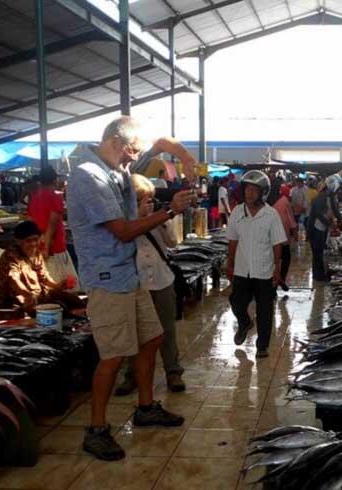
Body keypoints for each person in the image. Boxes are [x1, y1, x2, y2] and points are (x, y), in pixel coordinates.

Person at [67, 116, 193, 461]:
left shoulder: (113, 168)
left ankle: (146, 406)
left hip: (129, 273)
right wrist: (169, 211)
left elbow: (159, 145)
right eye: (130, 154)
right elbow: (122, 230)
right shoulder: (88, 177)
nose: (131, 161)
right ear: (115, 143)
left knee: (152, 337)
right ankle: (96, 429)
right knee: (113, 355)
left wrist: (185, 157)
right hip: (108, 279)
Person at [115, 174, 185, 395]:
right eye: (141, 201)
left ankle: (173, 372)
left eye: (148, 200)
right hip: (136, 284)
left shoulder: (159, 218)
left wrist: (161, 220)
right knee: (134, 332)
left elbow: (173, 242)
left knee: (167, 330)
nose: (146, 204)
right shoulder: (123, 224)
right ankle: (131, 375)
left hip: (162, 281)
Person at [225, 171, 287, 358]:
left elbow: (277, 244)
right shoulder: (237, 212)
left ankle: (262, 346)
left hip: (264, 271)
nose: (249, 194)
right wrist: (230, 264)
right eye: (247, 189)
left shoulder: (271, 214)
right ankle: (244, 323)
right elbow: (233, 241)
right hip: (242, 270)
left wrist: (277, 269)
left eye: (254, 190)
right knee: (236, 302)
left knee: (265, 310)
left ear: (263, 193)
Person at [0, 220, 84, 316]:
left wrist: (58, 286)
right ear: (18, 241)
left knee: (75, 302)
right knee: (59, 308)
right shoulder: (11, 255)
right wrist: (28, 295)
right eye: (28, 241)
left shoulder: (37, 253)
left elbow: (44, 278)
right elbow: (13, 279)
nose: (33, 244)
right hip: (15, 302)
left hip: (38, 297)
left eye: (35, 239)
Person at [27, 166, 79, 291]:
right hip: (54, 247)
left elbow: (29, 220)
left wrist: (37, 242)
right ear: (55, 180)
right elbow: (53, 221)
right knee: (64, 287)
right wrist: (47, 244)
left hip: (39, 245)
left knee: (45, 286)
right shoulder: (56, 195)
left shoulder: (34, 196)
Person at [307, 175, 342, 282]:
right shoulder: (321, 196)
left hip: (322, 228)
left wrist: (341, 220)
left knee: (319, 251)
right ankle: (319, 276)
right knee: (317, 252)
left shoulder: (330, 196)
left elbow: (335, 209)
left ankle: (318, 275)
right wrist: (330, 224)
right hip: (316, 228)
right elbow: (318, 213)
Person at [269, 182, 297, 292]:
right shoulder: (284, 201)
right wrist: (295, 233)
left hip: (270, 237)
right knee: (286, 258)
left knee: (273, 260)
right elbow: (290, 219)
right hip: (282, 236)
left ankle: (273, 282)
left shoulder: (266, 203)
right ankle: (281, 278)